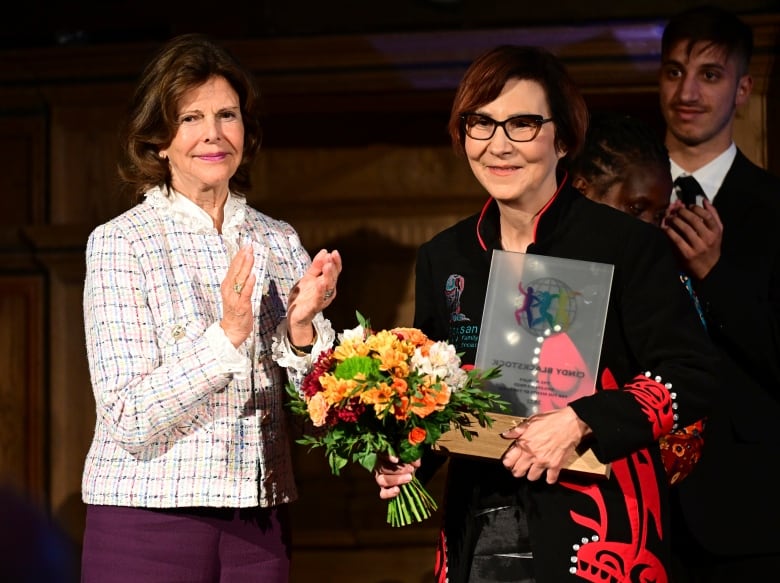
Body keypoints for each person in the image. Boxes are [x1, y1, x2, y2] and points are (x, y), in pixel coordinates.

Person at [373, 45, 719, 582]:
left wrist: (582, 419)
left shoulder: (623, 244)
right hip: (478, 530)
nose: (498, 145)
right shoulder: (446, 256)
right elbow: (433, 396)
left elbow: (689, 372)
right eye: (480, 124)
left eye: (522, 124)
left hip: (599, 534)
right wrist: (408, 456)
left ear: (563, 139)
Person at [80, 33, 342, 583]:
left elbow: (318, 408)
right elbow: (127, 418)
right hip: (148, 519)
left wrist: (301, 330)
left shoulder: (278, 238)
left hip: (259, 517)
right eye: (191, 118)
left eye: (227, 115)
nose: (214, 134)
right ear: (159, 141)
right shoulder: (123, 242)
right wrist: (226, 336)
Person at [657, 5, 780, 581]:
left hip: (747, 507)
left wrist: (717, 274)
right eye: (675, 71)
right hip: (629, 495)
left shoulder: (774, 208)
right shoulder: (612, 199)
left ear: (743, 89)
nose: (688, 90)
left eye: (710, 74)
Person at [568, 111, 706, 486]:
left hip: (650, 498)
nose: (649, 227)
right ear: (582, 191)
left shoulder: (662, 280)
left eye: (658, 214)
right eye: (635, 209)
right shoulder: (547, 283)